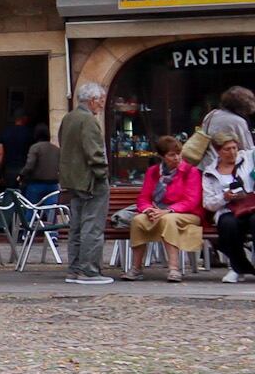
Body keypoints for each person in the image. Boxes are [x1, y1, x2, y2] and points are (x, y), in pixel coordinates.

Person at [122, 135, 203, 283]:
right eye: (172, 155)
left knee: (168, 219)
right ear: (162, 156)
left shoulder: (191, 172)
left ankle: (174, 268)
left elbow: (192, 200)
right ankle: (136, 268)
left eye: (179, 154)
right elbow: (144, 198)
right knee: (138, 220)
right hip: (158, 211)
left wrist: (168, 210)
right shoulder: (153, 172)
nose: (177, 158)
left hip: (187, 213)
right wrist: (148, 210)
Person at [58, 83, 113, 284]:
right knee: (92, 225)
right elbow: (95, 152)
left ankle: (74, 269)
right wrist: (103, 174)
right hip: (90, 180)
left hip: (72, 180)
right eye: (100, 100)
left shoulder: (68, 118)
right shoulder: (88, 120)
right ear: (92, 100)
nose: (101, 104)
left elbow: (64, 146)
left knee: (77, 226)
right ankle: (89, 271)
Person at [209, 134, 255, 283]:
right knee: (228, 224)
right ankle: (237, 268)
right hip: (227, 210)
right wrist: (224, 197)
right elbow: (208, 203)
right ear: (218, 151)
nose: (232, 152)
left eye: (234, 148)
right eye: (227, 149)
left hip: (251, 207)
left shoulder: (247, 159)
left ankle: (241, 267)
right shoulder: (210, 173)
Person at [17, 125, 61, 207]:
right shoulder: (56, 149)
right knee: (51, 210)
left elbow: (29, 165)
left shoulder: (35, 148)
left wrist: (21, 175)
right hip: (53, 184)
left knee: (32, 209)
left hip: (37, 184)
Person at [0, 110, 38, 188]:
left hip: (9, 169)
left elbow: (0, 154)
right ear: (25, 118)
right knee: (25, 197)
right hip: (25, 169)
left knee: (10, 194)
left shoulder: (6, 133)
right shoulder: (30, 133)